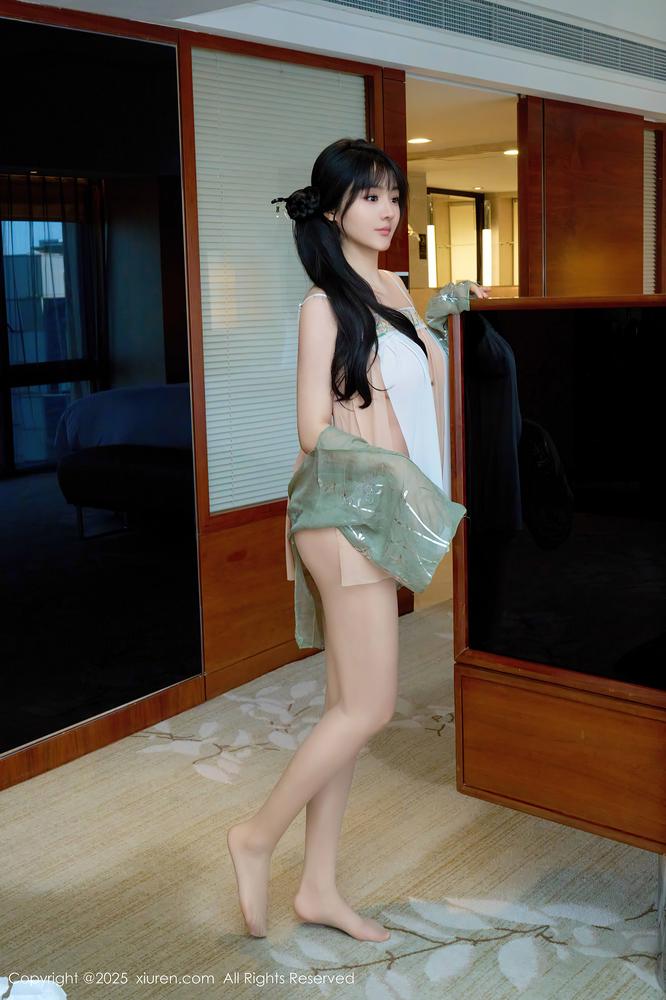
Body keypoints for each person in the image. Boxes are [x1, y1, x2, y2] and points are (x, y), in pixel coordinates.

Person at [227, 137, 489, 943]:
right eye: (370, 196)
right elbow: (312, 426)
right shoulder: (322, 304)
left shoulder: (393, 288)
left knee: (347, 709)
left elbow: (413, 379)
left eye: (394, 196)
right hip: (345, 516)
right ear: (334, 208)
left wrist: (444, 312)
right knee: (371, 708)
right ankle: (255, 837)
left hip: (377, 513)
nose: (388, 210)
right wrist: (391, 465)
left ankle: (317, 888)